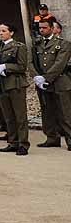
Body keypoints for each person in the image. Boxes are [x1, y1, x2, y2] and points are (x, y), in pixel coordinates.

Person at [0, 22, 30, 155]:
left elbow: (22, 66)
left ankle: (23, 144)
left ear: (11, 33)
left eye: (3, 31)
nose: (0, 33)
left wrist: (6, 67)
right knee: (8, 116)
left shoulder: (19, 47)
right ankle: (13, 142)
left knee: (19, 116)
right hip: (1, 84)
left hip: (15, 84)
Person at [33, 18, 71, 150]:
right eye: (40, 28)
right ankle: (52, 138)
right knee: (47, 112)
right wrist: (36, 76)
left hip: (60, 82)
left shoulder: (63, 44)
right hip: (43, 84)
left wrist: (46, 78)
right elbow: (31, 61)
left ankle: (70, 139)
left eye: (44, 28)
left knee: (65, 113)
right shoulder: (37, 44)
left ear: (51, 28)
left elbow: (60, 64)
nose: (41, 30)